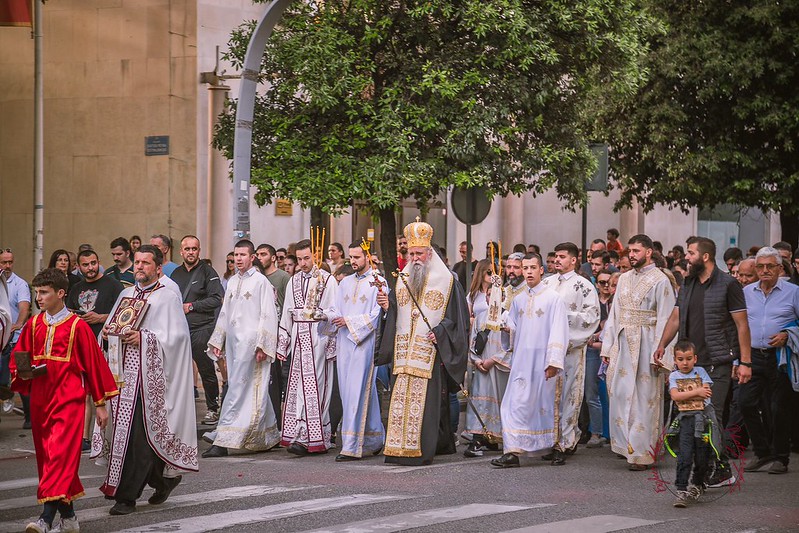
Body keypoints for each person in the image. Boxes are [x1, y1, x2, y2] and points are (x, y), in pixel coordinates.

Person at [92, 245, 198, 516]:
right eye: (137, 262)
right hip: (123, 377)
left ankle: (126, 497)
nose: (139, 267)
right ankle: (163, 481)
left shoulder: (167, 296)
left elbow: (178, 338)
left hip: (151, 380)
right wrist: (108, 334)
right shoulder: (126, 294)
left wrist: (145, 338)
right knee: (129, 436)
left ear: (158, 268)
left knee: (139, 438)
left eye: (145, 263)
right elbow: (110, 329)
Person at [10, 269, 118, 533]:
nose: (38, 298)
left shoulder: (78, 327)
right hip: (40, 400)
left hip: (69, 400)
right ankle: (69, 518)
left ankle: (45, 519)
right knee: (48, 459)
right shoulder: (34, 324)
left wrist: (100, 405)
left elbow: (94, 366)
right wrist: (22, 371)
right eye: (37, 292)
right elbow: (19, 358)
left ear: (60, 293)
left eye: (44, 292)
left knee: (59, 456)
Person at [656, 236, 752, 488]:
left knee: (711, 416)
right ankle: (712, 467)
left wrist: (745, 362)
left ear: (705, 256)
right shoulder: (688, 282)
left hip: (717, 362)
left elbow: (742, 325)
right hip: (690, 364)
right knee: (692, 415)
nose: (686, 257)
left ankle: (719, 469)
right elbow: (675, 317)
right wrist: (662, 344)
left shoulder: (729, 284)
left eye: (691, 253)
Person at [375, 218, 469, 465]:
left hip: (428, 352)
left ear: (429, 253)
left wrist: (440, 332)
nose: (415, 258)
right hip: (403, 353)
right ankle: (397, 449)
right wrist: (387, 307)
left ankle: (420, 450)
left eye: (419, 253)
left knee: (426, 405)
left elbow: (457, 319)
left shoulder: (447, 281)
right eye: (411, 253)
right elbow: (398, 312)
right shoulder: (403, 279)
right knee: (400, 401)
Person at [600, 235, 677, 470]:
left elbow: (666, 318)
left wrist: (661, 353)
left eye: (636, 251)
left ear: (649, 252)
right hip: (623, 342)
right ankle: (627, 446)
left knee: (644, 398)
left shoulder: (660, 280)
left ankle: (643, 452)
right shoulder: (623, 278)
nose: (631, 255)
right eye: (630, 251)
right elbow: (615, 314)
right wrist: (608, 346)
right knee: (622, 394)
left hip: (648, 344)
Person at [490, 253, 569, 468]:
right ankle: (512, 451)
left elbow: (559, 330)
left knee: (546, 405)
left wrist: (553, 362)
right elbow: (514, 328)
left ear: (541, 270)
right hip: (522, 361)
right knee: (513, 404)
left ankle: (555, 447)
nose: (529, 272)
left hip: (544, 361)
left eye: (533, 267)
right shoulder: (518, 300)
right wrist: (506, 329)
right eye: (525, 268)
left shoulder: (553, 298)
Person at [202, 240, 281, 458]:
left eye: (243, 255)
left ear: (252, 257)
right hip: (234, 344)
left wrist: (263, 344)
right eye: (236, 255)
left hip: (252, 345)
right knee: (250, 388)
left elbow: (268, 314)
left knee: (238, 390)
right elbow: (225, 313)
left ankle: (224, 439)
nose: (238, 259)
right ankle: (269, 435)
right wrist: (217, 340)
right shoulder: (232, 281)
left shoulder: (261, 282)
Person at [323, 241, 386, 461]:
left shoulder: (378, 282)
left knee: (357, 390)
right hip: (344, 343)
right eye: (351, 257)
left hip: (363, 343)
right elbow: (335, 309)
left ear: (367, 257)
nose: (353, 261)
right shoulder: (345, 282)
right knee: (352, 391)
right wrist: (326, 316)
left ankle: (350, 446)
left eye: (357, 257)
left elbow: (377, 315)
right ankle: (374, 438)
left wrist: (348, 321)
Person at [740, 247, 799, 475]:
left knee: (778, 408)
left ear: (779, 268)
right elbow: (739, 326)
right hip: (753, 355)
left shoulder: (793, 292)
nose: (765, 270)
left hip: (780, 357)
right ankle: (763, 452)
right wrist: (739, 361)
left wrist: (787, 334)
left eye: (770, 266)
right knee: (745, 403)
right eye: (760, 266)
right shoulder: (747, 292)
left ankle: (781, 458)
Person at [277, 239, 339, 455]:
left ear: (315, 257)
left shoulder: (327, 280)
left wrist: (322, 315)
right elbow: (287, 312)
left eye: (307, 258)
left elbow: (335, 310)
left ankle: (314, 436)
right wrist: (283, 344)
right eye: (300, 259)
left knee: (317, 386)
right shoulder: (293, 281)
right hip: (298, 339)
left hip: (318, 338)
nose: (303, 263)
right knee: (297, 387)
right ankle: (299, 434)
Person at [540, 242, 600, 463]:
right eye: (556, 256)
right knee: (548, 397)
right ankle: (550, 440)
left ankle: (565, 443)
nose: (557, 260)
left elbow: (591, 317)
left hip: (570, 351)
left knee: (568, 396)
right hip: (547, 351)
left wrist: (562, 318)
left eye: (562, 256)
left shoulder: (584, 286)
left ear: (573, 260)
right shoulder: (546, 283)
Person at [66, 249, 124, 452]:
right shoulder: (76, 288)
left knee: (106, 392)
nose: (90, 268)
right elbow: (69, 312)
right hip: (81, 344)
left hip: (107, 345)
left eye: (93, 263)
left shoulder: (114, 285)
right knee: (83, 392)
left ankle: (108, 437)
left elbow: (123, 314)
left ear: (98, 262)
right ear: (78, 267)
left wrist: (100, 317)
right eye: (85, 265)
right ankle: (84, 437)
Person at [171, 236, 225, 425]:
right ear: (181, 252)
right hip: (180, 328)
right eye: (187, 249)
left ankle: (212, 409)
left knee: (206, 369)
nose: (191, 252)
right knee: (178, 371)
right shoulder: (176, 274)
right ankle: (178, 410)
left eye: (194, 249)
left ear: (199, 251)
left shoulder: (208, 272)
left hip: (202, 328)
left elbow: (217, 299)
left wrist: (192, 306)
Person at [463, 259, 510, 457]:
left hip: (499, 365)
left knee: (499, 400)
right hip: (482, 363)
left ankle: (496, 437)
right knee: (480, 400)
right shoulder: (480, 316)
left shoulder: (507, 316)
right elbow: (473, 340)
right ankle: (477, 437)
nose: (492, 298)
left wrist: (495, 360)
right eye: (489, 295)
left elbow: (512, 344)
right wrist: (476, 360)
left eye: (496, 295)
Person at [666, 340, 716, 508]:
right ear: (675, 360)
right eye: (680, 359)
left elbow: (706, 392)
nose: (685, 363)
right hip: (685, 420)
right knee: (685, 455)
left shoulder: (700, 372)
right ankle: (681, 489)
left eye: (688, 359)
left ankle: (698, 484)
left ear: (695, 358)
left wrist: (690, 393)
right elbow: (675, 396)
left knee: (702, 455)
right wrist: (697, 391)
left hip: (702, 419)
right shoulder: (674, 376)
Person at [256, 243, 292, 423]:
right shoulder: (257, 278)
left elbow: (288, 304)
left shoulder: (283, 277)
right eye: (257, 254)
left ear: (273, 258)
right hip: (260, 331)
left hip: (278, 330)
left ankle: (278, 417)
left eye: (263, 254)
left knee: (276, 375)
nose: (259, 257)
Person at [0, 248, 32, 428]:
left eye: (10, 262)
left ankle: (30, 418)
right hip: (1, 341)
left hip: (17, 338)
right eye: (4, 262)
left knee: (23, 375)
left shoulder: (20, 284)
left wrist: (19, 323)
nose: (7, 266)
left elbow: (24, 307)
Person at [585, 268, 613, 448]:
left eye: (609, 283)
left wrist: (596, 339)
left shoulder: (615, 303)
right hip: (592, 352)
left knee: (609, 395)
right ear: (597, 284)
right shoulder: (592, 302)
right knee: (591, 393)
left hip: (609, 351)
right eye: (602, 282)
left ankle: (610, 433)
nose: (606, 286)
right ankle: (595, 432)